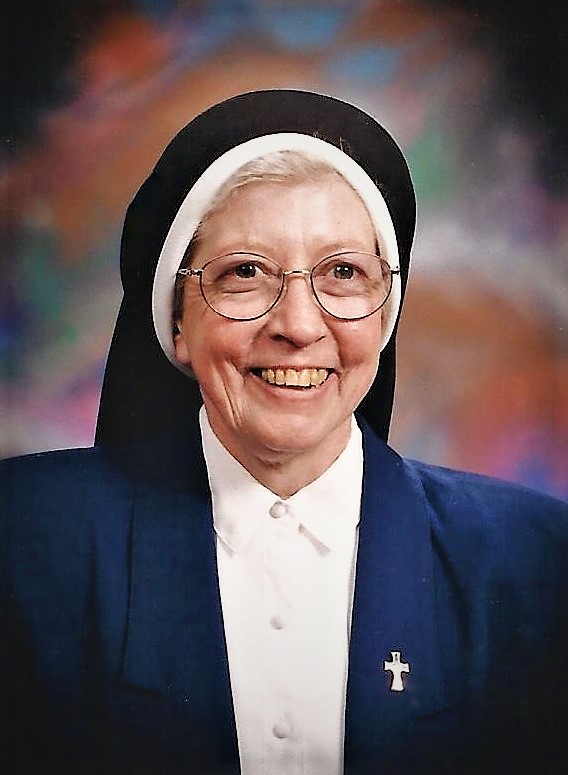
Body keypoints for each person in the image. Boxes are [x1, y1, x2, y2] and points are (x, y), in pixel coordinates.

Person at [1, 89, 568, 775]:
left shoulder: (537, 561)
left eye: (343, 272)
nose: (299, 325)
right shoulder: (20, 538)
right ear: (177, 322)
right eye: (245, 272)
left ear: (384, 314)